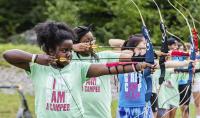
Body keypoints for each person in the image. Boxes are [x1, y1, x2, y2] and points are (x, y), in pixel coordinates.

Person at [3, 21, 152, 118]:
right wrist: (36, 58)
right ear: (49, 50)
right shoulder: (37, 68)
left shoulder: (78, 67)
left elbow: (109, 68)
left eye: (70, 50)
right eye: (64, 50)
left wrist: (140, 65)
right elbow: (8, 55)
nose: (69, 54)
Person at [117, 35, 192, 118]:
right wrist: (151, 54)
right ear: (131, 48)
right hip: (125, 108)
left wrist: (186, 63)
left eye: (145, 48)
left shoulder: (147, 64)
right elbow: (124, 56)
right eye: (141, 48)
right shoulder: (122, 62)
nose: (144, 50)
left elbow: (165, 65)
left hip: (143, 106)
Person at [72, 25, 132, 118]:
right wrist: (72, 47)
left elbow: (130, 57)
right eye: (86, 41)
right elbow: (52, 56)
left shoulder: (104, 56)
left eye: (92, 40)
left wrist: (145, 54)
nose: (91, 43)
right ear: (77, 43)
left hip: (101, 114)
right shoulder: (69, 58)